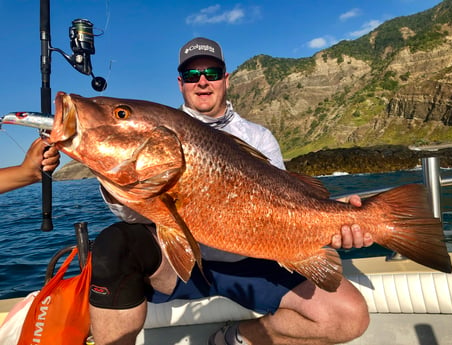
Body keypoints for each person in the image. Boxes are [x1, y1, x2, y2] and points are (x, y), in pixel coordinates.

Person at [89, 37, 374, 345]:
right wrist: (108, 167)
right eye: (191, 75)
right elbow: (134, 215)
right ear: (180, 83)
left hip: (254, 261)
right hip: (182, 263)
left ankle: (235, 338)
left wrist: (331, 225)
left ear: (225, 79)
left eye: (211, 73)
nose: (201, 82)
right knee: (113, 244)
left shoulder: (259, 137)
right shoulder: (158, 129)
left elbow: (286, 205)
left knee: (350, 316)